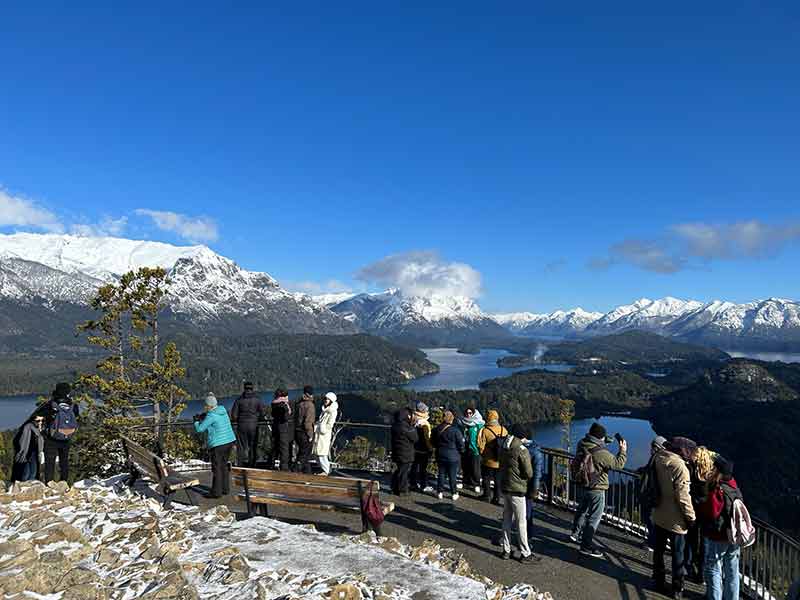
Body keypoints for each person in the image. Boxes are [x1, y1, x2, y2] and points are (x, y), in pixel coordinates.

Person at [570, 422, 627, 558]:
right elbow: (618, 464)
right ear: (600, 438)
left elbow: (594, 448)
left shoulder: (581, 443)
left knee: (582, 511)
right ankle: (586, 546)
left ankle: (575, 534)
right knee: (594, 518)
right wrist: (623, 451)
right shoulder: (602, 453)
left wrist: (604, 441)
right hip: (597, 488)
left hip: (582, 484)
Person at [652, 437, 697, 600]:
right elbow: (683, 497)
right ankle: (677, 588)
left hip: (658, 514)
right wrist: (691, 518)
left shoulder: (659, 457)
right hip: (676, 520)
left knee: (659, 550)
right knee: (678, 555)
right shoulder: (680, 467)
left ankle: (658, 579)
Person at [699, 455, 742, 600]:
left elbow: (712, 512)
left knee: (713, 568)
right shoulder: (734, 487)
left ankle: (715, 597)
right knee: (732, 570)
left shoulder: (718, 489)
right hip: (735, 534)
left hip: (719, 535)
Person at [498, 423, 537, 562]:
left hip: (505, 487)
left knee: (507, 519)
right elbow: (529, 472)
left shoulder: (504, 446)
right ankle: (525, 553)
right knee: (521, 522)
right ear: (523, 436)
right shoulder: (522, 449)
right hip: (518, 490)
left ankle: (506, 550)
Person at [194, 393, 236, 499]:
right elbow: (213, 418)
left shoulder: (211, 415)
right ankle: (225, 489)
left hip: (218, 444)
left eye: (206, 405)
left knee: (216, 467)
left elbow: (200, 429)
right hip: (229, 441)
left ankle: (216, 492)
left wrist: (196, 421)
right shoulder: (223, 411)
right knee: (224, 465)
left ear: (209, 406)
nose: (205, 407)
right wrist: (204, 416)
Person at [39, 382, 80, 483]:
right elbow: (76, 416)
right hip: (67, 436)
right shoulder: (73, 405)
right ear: (68, 392)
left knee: (50, 460)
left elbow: (41, 416)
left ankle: (49, 483)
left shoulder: (51, 404)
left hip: (51, 437)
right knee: (64, 461)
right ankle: (64, 482)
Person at [688, 445, 716, 583]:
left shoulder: (691, 471)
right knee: (705, 543)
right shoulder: (712, 475)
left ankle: (690, 566)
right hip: (706, 512)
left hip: (693, 509)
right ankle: (702, 573)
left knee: (691, 539)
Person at [639, 435, 667, 551]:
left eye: (653, 446)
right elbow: (648, 469)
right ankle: (653, 541)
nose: (651, 448)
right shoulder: (657, 458)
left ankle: (653, 543)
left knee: (650, 519)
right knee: (650, 519)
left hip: (652, 495)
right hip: (652, 495)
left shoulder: (659, 459)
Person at [230, 381, 265, 467]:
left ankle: (240, 465)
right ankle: (252, 465)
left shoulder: (239, 400)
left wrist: (239, 419)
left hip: (242, 426)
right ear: (252, 388)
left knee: (241, 447)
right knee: (253, 446)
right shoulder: (257, 399)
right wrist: (257, 418)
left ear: (244, 388)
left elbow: (234, 416)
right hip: (254, 425)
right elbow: (262, 413)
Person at [432, 410, 465, 500]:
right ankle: (454, 493)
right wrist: (460, 451)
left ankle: (439, 492)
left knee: (441, 474)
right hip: (453, 456)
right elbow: (461, 444)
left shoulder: (436, 429)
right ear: (452, 419)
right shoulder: (455, 431)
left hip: (440, 454)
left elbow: (432, 442)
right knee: (452, 475)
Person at [478, 410, 508, 505]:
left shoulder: (485, 430)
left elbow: (480, 446)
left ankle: (486, 496)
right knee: (498, 480)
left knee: (486, 478)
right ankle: (496, 498)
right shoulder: (504, 429)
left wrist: (483, 455)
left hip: (488, 460)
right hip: (501, 461)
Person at [522, 426, 544, 543]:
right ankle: (527, 537)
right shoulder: (536, 451)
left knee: (522, 513)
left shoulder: (518, 449)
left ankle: (526, 537)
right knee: (527, 512)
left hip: (522, 486)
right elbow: (537, 474)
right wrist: (535, 489)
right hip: (528, 486)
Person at [390, 408, 418, 496]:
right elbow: (415, 438)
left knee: (398, 470)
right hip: (406, 453)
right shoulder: (407, 428)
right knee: (403, 472)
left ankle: (394, 488)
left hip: (396, 451)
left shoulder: (395, 426)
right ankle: (402, 490)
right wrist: (413, 426)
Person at [11, 414, 45, 482]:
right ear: (33, 420)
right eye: (38, 420)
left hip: (34, 453)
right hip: (27, 452)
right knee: (26, 473)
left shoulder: (38, 428)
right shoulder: (28, 427)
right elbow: (23, 441)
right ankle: (23, 487)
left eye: (42, 420)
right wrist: (22, 451)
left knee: (33, 472)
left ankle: (30, 487)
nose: (40, 422)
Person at [312, 392, 338, 475]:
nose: (326, 400)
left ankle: (326, 471)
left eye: (328, 399)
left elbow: (330, 425)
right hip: (319, 435)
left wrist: (321, 427)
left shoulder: (332, 411)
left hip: (324, 435)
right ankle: (324, 470)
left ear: (331, 401)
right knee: (317, 454)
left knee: (322, 454)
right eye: (325, 399)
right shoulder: (325, 410)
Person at [459, 407, 484, 494]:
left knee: (475, 468)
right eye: (467, 413)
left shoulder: (479, 424)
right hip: (465, 448)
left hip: (475, 449)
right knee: (465, 466)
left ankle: (476, 484)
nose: (468, 414)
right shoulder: (463, 423)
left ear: (473, 413)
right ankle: (466, 482)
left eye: (470, 413)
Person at [410, 402, 433, 492]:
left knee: (414, 467)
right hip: (423, 450)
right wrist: (430, 448)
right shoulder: (425, 424)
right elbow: (427, 438)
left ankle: (413, 483)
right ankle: (424, 485)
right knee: (423, 468)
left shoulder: (413, 421)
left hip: (414, 448)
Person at [294, 386, 316, 474]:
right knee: (304, 455)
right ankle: (295, 470)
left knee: (303, 453)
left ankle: (307, 473)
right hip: (305, 433)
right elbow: (308, 423)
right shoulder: (310, 405)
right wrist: (310, 435)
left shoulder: (299, 404)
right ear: (310, 394)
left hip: (297, 431)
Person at [271, 389, 294, 471]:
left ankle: (273, 464)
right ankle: (284, 467)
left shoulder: (274, 403)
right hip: (283, 428)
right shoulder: (283, 405)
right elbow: (286, 417)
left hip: (275, 427)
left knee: (275, 447)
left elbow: (273, 414)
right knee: (284, 448)